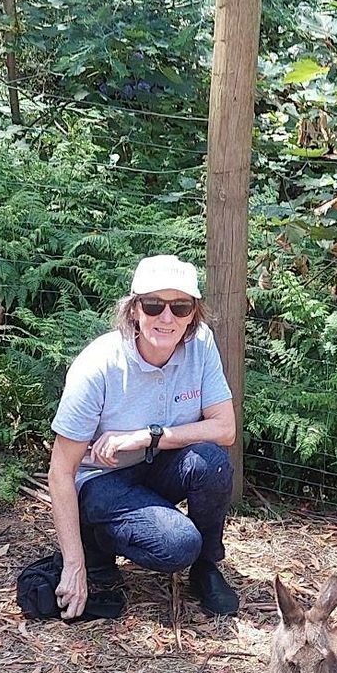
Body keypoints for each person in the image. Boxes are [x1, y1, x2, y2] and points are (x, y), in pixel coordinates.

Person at [47, 254, 239, 620]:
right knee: (178, 544)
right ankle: (94, 546)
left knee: (211, 463)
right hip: (103, 480)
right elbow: (60, 472)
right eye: (154, 305)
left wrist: (146, 436)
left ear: (193, 313)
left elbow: (224, 428)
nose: (166, 318)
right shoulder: (98, 364)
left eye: (180, 307)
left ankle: (206, 567)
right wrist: (73, 564)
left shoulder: (201, 344)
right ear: (134, 310)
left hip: (156, 462)